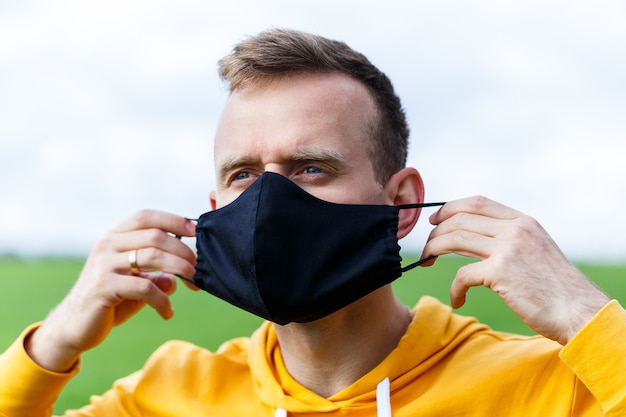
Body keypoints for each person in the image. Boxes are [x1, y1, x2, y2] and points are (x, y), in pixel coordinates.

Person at [1, 28, 624, 417]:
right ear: (214, 213)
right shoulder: (168, 396)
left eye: (310, 168)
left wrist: (583, 316)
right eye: (243, 174)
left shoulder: (548, 389)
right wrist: (52, 345)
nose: (269, 201)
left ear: (403, 205)